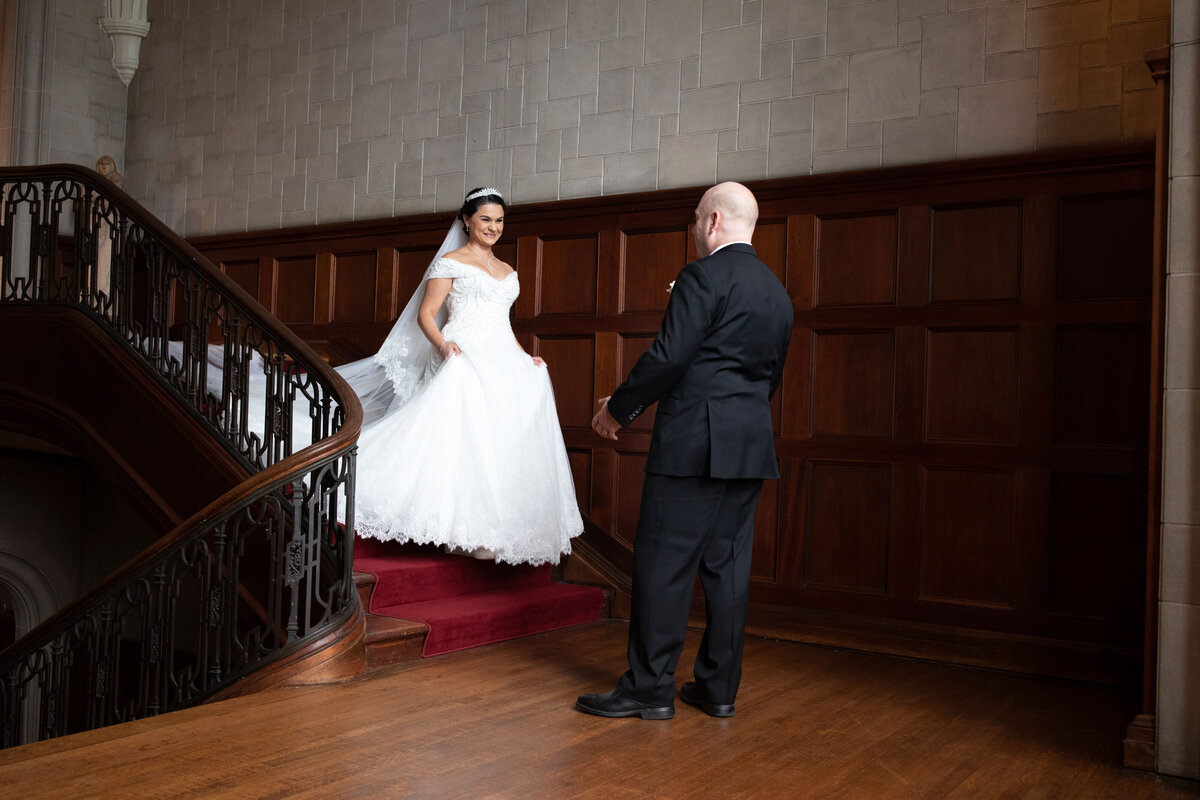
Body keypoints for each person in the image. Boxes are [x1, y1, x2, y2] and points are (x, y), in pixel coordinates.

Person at [575, 181, 792, 719]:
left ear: (714, 221)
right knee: (728, 568)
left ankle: (648, 689)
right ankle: (717, 689)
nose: (694, 229)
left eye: (697, 219)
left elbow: (670, 357)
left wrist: (617, 409)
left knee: (663, 566)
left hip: (692, 444)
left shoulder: (703, 275)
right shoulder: (777, 292)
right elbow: (769, 378)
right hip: (748, 446)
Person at [336, 187, 584, 564]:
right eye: (485, 219)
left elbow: (502, 325)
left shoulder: (507, 271)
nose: (493, 227)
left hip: (498, 355)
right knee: (467, 428)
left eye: (499, 221)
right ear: (467, 220)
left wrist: (524, 357)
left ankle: (491, 530)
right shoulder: (450, 262)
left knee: (507, 426)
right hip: (462, 352)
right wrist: (443, 347)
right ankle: (459, 527)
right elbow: (426, 314)